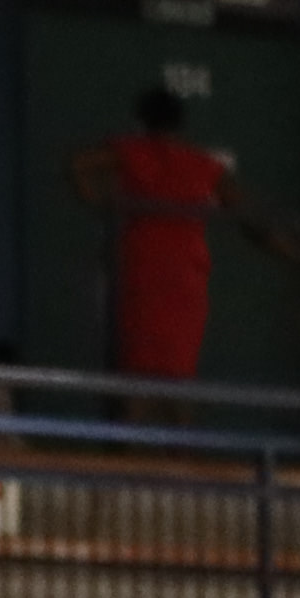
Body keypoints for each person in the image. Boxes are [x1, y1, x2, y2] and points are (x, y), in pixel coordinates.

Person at [74, 89, 231, 392]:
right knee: (180, 375)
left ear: (142, 120)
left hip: (143, 270)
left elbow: (78, 164)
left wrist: (101, 203)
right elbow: (244, 208)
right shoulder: (201, 163)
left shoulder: (133, 152)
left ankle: (138, 422)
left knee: (138, 375)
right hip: (186, 275)